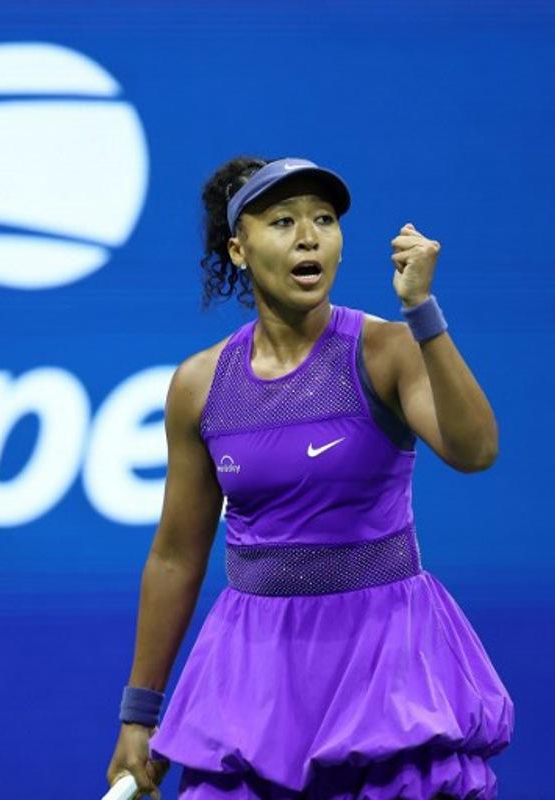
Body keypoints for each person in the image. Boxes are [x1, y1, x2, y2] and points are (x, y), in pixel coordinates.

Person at [104, 156, 514, 800]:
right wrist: (139, 712)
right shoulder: (199, 385)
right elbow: (176, 556)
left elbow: (476, 450)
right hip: (251, 678)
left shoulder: (386, 351)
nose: (309, 236)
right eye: (283, 221)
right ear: (239, 249)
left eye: (324, 219)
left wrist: (423, 312)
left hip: (386, 670)